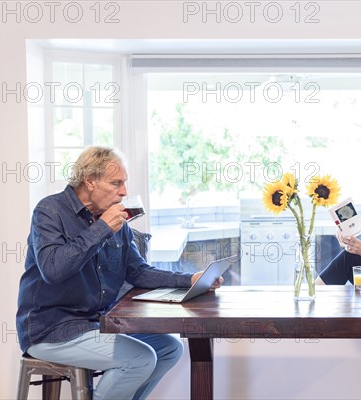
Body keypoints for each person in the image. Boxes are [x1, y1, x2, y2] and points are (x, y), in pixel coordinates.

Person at [16, 146, 222, 400]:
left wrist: (190, 279)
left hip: (97, 324)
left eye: (124, 183)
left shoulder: (113, 218)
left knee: (170, 348)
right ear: (90, 180)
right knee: (140, 359)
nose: (124, 191)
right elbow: (54, 270)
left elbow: (138, 272)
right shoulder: (50, 211)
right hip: (52, 329)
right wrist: (102, 229)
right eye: (116, 183)